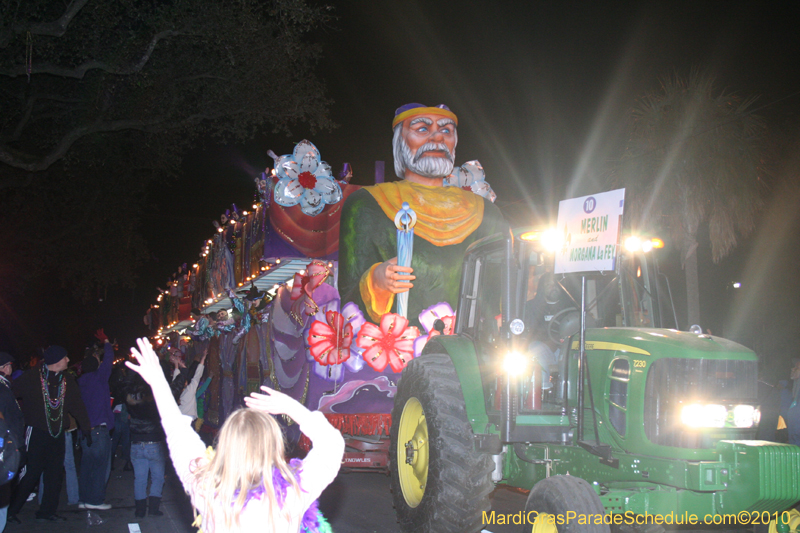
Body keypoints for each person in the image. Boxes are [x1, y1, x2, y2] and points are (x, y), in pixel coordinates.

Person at [126, 337, 344, 532]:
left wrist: (158, 383)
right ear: (274, 444)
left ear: (225, 443)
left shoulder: (206, 489)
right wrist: (293, 408)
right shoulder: (295, 492)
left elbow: (178, 432)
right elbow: (332, 445)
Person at [339, 103, 508, 327]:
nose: (437, 138)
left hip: (469, 349)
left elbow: (501, 292)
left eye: (446, 131)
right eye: (422, 129)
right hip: (397, 349)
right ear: (400, 141)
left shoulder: (487, 212)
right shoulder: (367, 203)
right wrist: (377, 282)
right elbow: (348, 300)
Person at [8, 345, 91, 523]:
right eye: (65, 358)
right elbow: (9, 395)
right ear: (55, 361)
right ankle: (10, 511)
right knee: (31, 473)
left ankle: (47, 511)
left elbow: (77, 405)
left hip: (58, 433)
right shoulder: (31, 378)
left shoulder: (67, 380)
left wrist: (86, 428)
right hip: (37, 433)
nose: (68, 360)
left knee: (54, 475)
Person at [76, 329, 115, 510]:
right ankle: (96, 500)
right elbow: (109, 359)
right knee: (100, 467)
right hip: (99, 431)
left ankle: (84, 499)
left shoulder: (80, 382)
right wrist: (106, 342)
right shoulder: (99, 378)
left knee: (86, 467)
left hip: (85, 431)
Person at [126, 370, 167, 517]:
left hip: (136, 443)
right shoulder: (153, 397)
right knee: (157, 477)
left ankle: (140, 510)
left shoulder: (130, 397)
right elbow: (174, 390)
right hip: (153, 442)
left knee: (140, 478)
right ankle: (154, 509)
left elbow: (124, 384)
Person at [0, 352, 24, 531]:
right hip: (5, 445)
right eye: (7, 365)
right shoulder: (1, 388)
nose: (10, 368)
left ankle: (7, 515)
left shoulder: (6, 386)